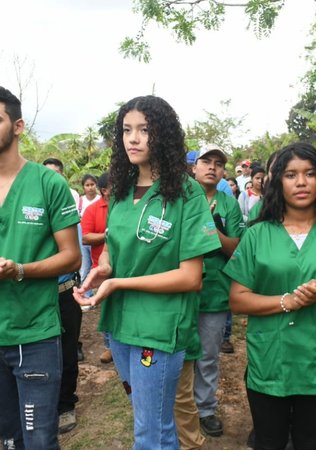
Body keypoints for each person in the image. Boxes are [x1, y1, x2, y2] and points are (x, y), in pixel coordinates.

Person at [72, 95, 221, 449]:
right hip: (120, 324)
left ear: (164, 136)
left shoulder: (186, 193)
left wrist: (120, 282)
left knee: (149, 432)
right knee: (150, 418)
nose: (133, 139)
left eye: (144, 130)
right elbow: (112, 243)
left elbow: (190, 277)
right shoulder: (122, 191)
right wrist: (104, 267)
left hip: (159, 327)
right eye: (126, 130)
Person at [0, 85, 81, 450]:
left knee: (39, 440)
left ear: (18, 126)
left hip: (35, 332)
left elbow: (72, 257)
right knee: (9, 438)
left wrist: (19, 270)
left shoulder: (48, 182)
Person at [223, 142, 316, 450]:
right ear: (278, 182)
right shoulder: (257, 235)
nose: (301, 182)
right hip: (269, 362)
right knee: (269, 442)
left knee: (310, 442)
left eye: (310, 174)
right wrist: (287, 302)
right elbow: (238, 299)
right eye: (291, 175)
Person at [185, 144, 244, 440]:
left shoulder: (229, 203)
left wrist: (211, 227)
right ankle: (180, 409)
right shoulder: (180, 197)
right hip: (180, 290)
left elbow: (235, 248)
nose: (212, 167)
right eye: (206, 161)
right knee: (179, 352)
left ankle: (205, 409)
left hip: (216, 292)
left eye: (218, 163)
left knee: (208, 355)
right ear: (193, 167)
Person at [40, 158, 88, 432]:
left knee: (67, 352)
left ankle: (65, 405)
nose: (52, 179)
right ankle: (43, 404)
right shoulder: (28, 212)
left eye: (57, 174)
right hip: (36, 295)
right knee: (39, 352)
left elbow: (75, 256)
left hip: (64, 291)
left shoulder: (68, 212)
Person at [80, 172, 113, 364]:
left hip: (127, 267)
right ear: (105, 190)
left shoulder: (129, 206)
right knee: (107, 308)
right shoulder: (92, 210)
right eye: (112, 187)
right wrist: (107, 235)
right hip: (101, 267)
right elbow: (86, 237)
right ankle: (109, 346)